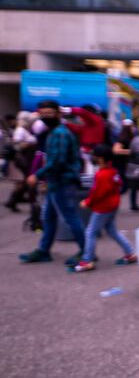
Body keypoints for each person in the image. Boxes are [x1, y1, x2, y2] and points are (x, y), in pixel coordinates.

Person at [19, 100, 86, 265]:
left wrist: (37, 175)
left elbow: (58, 161)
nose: (46, 116)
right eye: (43, 114)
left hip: (63, 182)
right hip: (55, 182)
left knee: (70, 217)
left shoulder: (60, 134)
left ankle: (86, 252)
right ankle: (44, 251)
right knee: (49, 217)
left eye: (50, 113)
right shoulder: (54, 131)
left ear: (58, 113)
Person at [73, 145, 137, 272]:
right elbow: (118, 185)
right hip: (112, 206)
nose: (93, 158)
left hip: (103, 208)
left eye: (95, 156)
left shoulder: (101, 175)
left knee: (90, 232)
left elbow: (97, 193)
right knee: (112, 231)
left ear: (101, 159)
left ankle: (87, 260)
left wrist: (87, 202)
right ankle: (130, 253)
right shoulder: (113, 172)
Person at [4, 112, 38, 213]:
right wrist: (29, 144)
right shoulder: (20, 130)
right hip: (19, 160)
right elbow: (17, 145)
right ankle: (12, 201)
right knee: (20, 181)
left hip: (23, 159)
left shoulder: (23, 130)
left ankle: (13, 201)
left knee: (22, 181)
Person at [112, 119, 139, 211]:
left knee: (133, 186)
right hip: (123, 166)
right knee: (125, 187)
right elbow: (116, 150)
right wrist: (130, 152)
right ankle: (110, 200)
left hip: (129, 165)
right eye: (132, 126)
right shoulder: (123, 138)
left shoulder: (132, 137)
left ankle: (134, 205)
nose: (134, 128)